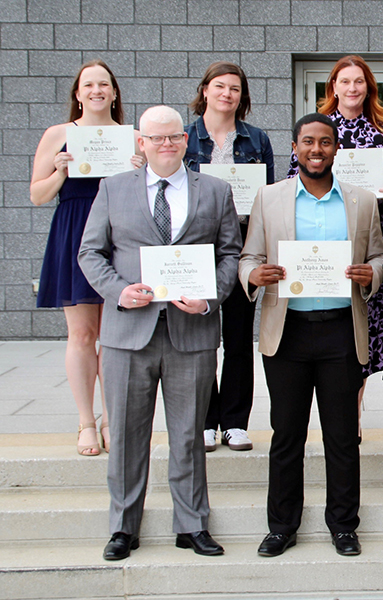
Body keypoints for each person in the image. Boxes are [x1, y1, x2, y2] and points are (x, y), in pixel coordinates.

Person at [78, 105, 241, 560]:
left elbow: (230, 254)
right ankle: (123, 528)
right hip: (128, 331)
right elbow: (90, 253)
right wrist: (118, 291)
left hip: (192, 330)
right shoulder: (112, 190)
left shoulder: (215, 190)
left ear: (185, 141)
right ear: (141, 142)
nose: (166, 145)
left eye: (173, 137)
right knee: (129, 435)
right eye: (156, 138)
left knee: (189, 434)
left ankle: (191, 525)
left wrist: (210, 297)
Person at [240, 113, 383, 558]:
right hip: (288, 334)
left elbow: (379, 255)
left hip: (342, 331)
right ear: (295, 147)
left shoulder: (361, 200)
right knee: (287, 435)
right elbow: (249, 256)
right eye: (308, 142)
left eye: (325, 142)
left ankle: (343, 525)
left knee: (343, 436)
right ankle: (282, 526)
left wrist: (371, 275)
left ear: (336, 149)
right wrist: (256, 274)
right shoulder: (269, 197)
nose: (316, 149)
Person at [31, 59, 144, 457]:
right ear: (78, 94)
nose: (96, 90)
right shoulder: (58, 134)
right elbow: (37, 195)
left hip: (120, 235)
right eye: (88, 85)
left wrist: (139, 172)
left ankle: (113, 417)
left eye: (104, 84)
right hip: (75, 227)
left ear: (114, 93)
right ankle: (85, 421)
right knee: (81, 334)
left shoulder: (133, 140)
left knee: (114, 338)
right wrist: (60, 172)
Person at [288, 55, 383, 440]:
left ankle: (348, 419)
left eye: (359, 82)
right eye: (345, 81)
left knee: (361, 330)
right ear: (333, 87)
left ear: (368, 87)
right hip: (316, 241)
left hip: (365, 237)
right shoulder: (318, 129)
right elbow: (292, 180)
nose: (353, 88)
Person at [184, 61, 275, 453]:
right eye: (219, 86)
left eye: (235, 89)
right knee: (200, 336)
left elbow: (267, 197)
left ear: (243, 96)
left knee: (238, 335)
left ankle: (235, 421)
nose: (227, 94)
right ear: (205, 90)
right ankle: (205, 420)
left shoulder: (257, 139)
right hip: (196, 241)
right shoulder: (185, 138)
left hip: (242, 241)